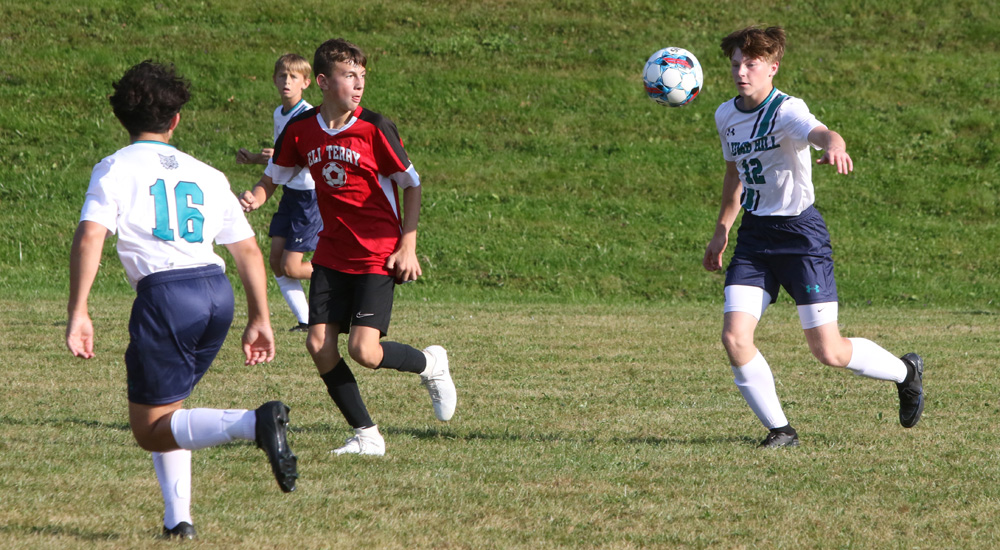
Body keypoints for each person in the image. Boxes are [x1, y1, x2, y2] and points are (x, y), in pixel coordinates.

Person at [66, 60, 297, 539]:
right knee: (172, 414)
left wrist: (79, 310)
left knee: (149, 428)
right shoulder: (207, 173)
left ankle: (256, 423)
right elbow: (248, 249)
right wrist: (260, 317)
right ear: (175, 120)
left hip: (168, 296)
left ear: (122, 117)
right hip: (216, 291)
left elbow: (91, 237)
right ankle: (178, 522)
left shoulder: (114, 167)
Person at [702, 26, 924, 448]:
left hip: (800, 236)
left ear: (772, 68)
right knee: (734, 337)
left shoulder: (786, 110)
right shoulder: (725, 116)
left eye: (751, 64)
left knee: (829, 352)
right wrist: (721, 232)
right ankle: (781, 430)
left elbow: (822, 133)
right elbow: (734, 174)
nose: (741, 72)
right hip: (754, 237)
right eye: (735, 64)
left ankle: (906, 372)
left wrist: (835, 146)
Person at [263, 38, 456, 456]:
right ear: (323, 81)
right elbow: (275, 171)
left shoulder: (374, 127)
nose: (359, 83)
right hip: (332, 250)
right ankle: (367, 434)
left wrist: (408, 245)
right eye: (349, 75)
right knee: (318, 345)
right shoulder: (302, 129)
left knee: (364, 351)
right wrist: (256, 195)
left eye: (362, 75)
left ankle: (431, 364)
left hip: (376, 252)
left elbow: (412, 183)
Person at [237, 53, 320, 332]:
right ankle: (306, 320)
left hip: (310, 196)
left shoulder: (309, 116)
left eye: (294, 77)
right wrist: (255, 158)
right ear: (274, 80)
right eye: (282, 76)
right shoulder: (278, 113)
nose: (287, 81)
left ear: (306, 82)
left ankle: (343, 273)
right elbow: (281, 160)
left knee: (293, 266)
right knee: (275, 260)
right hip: (290, 194)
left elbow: (317, 156)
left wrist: (284, 155)